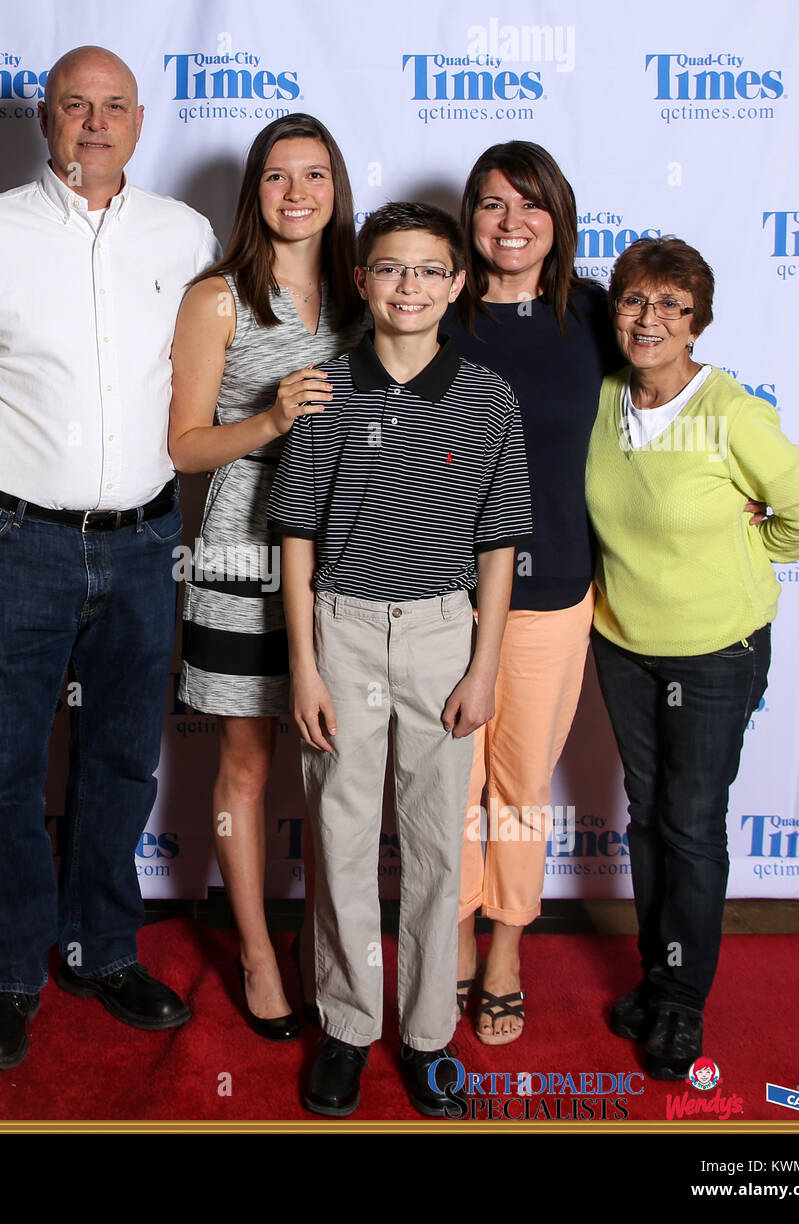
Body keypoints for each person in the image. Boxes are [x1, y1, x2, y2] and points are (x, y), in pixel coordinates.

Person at [0, 46, 218, 1071]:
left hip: (149, 538)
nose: (93, 124)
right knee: (3, 768)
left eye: (112, 108)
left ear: (139, 123)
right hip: (19, 541)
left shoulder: (183, 235)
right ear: (45, 119)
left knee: (118, 761)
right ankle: (9, 972)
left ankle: (102, 949)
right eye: (74, 106)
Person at [268, 203, 532, 1117]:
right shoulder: (326, 389)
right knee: (339, 836)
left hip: (440, 633)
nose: (408, 286)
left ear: (458, 283)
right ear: (363, 282)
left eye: (427, 270)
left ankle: (425, 1035)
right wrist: (303, 666)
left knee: (432, 845)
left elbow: (497, 544)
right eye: (389, 269)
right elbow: (297, 535)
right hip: (339, 627)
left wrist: (483, 663)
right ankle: (346, 1026)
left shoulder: (489, 397)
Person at [586, 236, 799, 1079]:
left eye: (671, 307)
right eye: (634, 301)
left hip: (714, 653)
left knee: (691, 828)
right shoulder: (605, 399)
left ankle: (683, 1003)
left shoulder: (728, 409)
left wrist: (746, 555)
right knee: (649, 818)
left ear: (698, 322)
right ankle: (661, 976)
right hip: (624, 644)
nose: (649, 319)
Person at [168, 114, 362, 1041]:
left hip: (354, 563)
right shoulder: (220, 297)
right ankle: (252, 949)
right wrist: (272, 420)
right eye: (278, 177)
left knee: (342, 769)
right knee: (247, 763)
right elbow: (184, 444)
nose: (297, 193)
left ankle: (334, 951)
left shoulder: (370, 292)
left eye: (314, 175)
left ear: (337, 188)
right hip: (245, 556)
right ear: (255, 192)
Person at [440, 141, 623, 1045]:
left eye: (530, 204)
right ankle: (457, 938)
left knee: (517, 783)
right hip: (441, 591)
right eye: (491, 203)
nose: (510, 222)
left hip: (552, 588)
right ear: (468, 217)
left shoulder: (593, 317)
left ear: (559, 218)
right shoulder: (431, 308)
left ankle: (507, 942)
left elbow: (666, 401)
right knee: (451, 778)